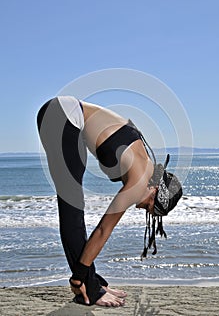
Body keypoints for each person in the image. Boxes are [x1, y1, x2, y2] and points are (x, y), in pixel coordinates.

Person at [37, 95, 182, 307]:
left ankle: (93, 282)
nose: (142, 207)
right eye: (151, 206)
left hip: (63, 115)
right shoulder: (140, 182)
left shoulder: (146, 165)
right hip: (63, 117)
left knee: (74, 208)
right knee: (72, 209)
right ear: (156, 189)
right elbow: (104, 230)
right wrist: (78, 277)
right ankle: (85, 286)